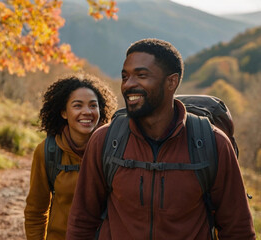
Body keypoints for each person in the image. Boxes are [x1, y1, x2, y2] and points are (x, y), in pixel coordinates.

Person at [66, 39, 256, 239]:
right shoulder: (105, 140)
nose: (128, 84)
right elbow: (82, 222)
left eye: (141, 75)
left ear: (171, 82)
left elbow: (238, 230)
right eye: (125, 76)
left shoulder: (214, 144)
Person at [24, 73, 117, 240]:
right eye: (77, 106)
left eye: (93, 106)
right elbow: (36, 211)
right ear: (64, 113)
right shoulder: (47, 152)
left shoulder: (112, 150)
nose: (87, 112)